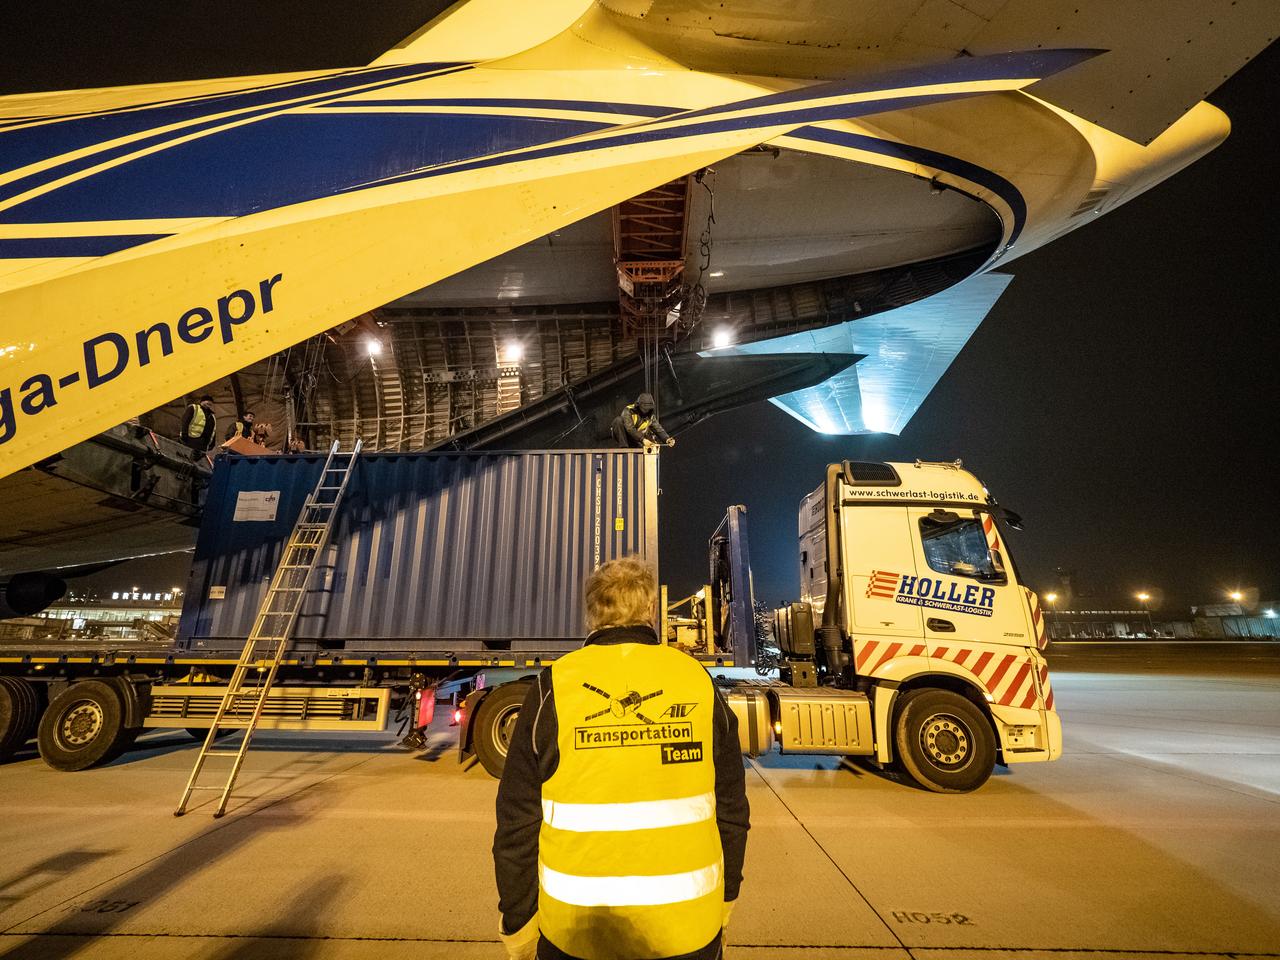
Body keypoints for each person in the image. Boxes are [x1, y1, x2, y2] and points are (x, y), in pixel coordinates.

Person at [494, 556, 749, 960]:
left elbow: (516, 824)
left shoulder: (553, 687)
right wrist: (725, 902)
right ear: (650, 611)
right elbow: (732, 812)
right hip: (688, 933)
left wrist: (519, 926)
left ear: (591, 615)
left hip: (575, 937)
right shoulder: (696, 681)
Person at [610, 393, 675, 449]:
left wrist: (667, 439)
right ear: (639, 406)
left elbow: (658, 428)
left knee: (651, 442)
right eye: (644, 408)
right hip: (626, 437)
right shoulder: (628, 410)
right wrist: (643, 440)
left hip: (636, 440)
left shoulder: (650, 416)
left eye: (648, 409)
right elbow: (630, 429)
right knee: (618, 420)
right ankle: (624, 449)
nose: (646, 410)